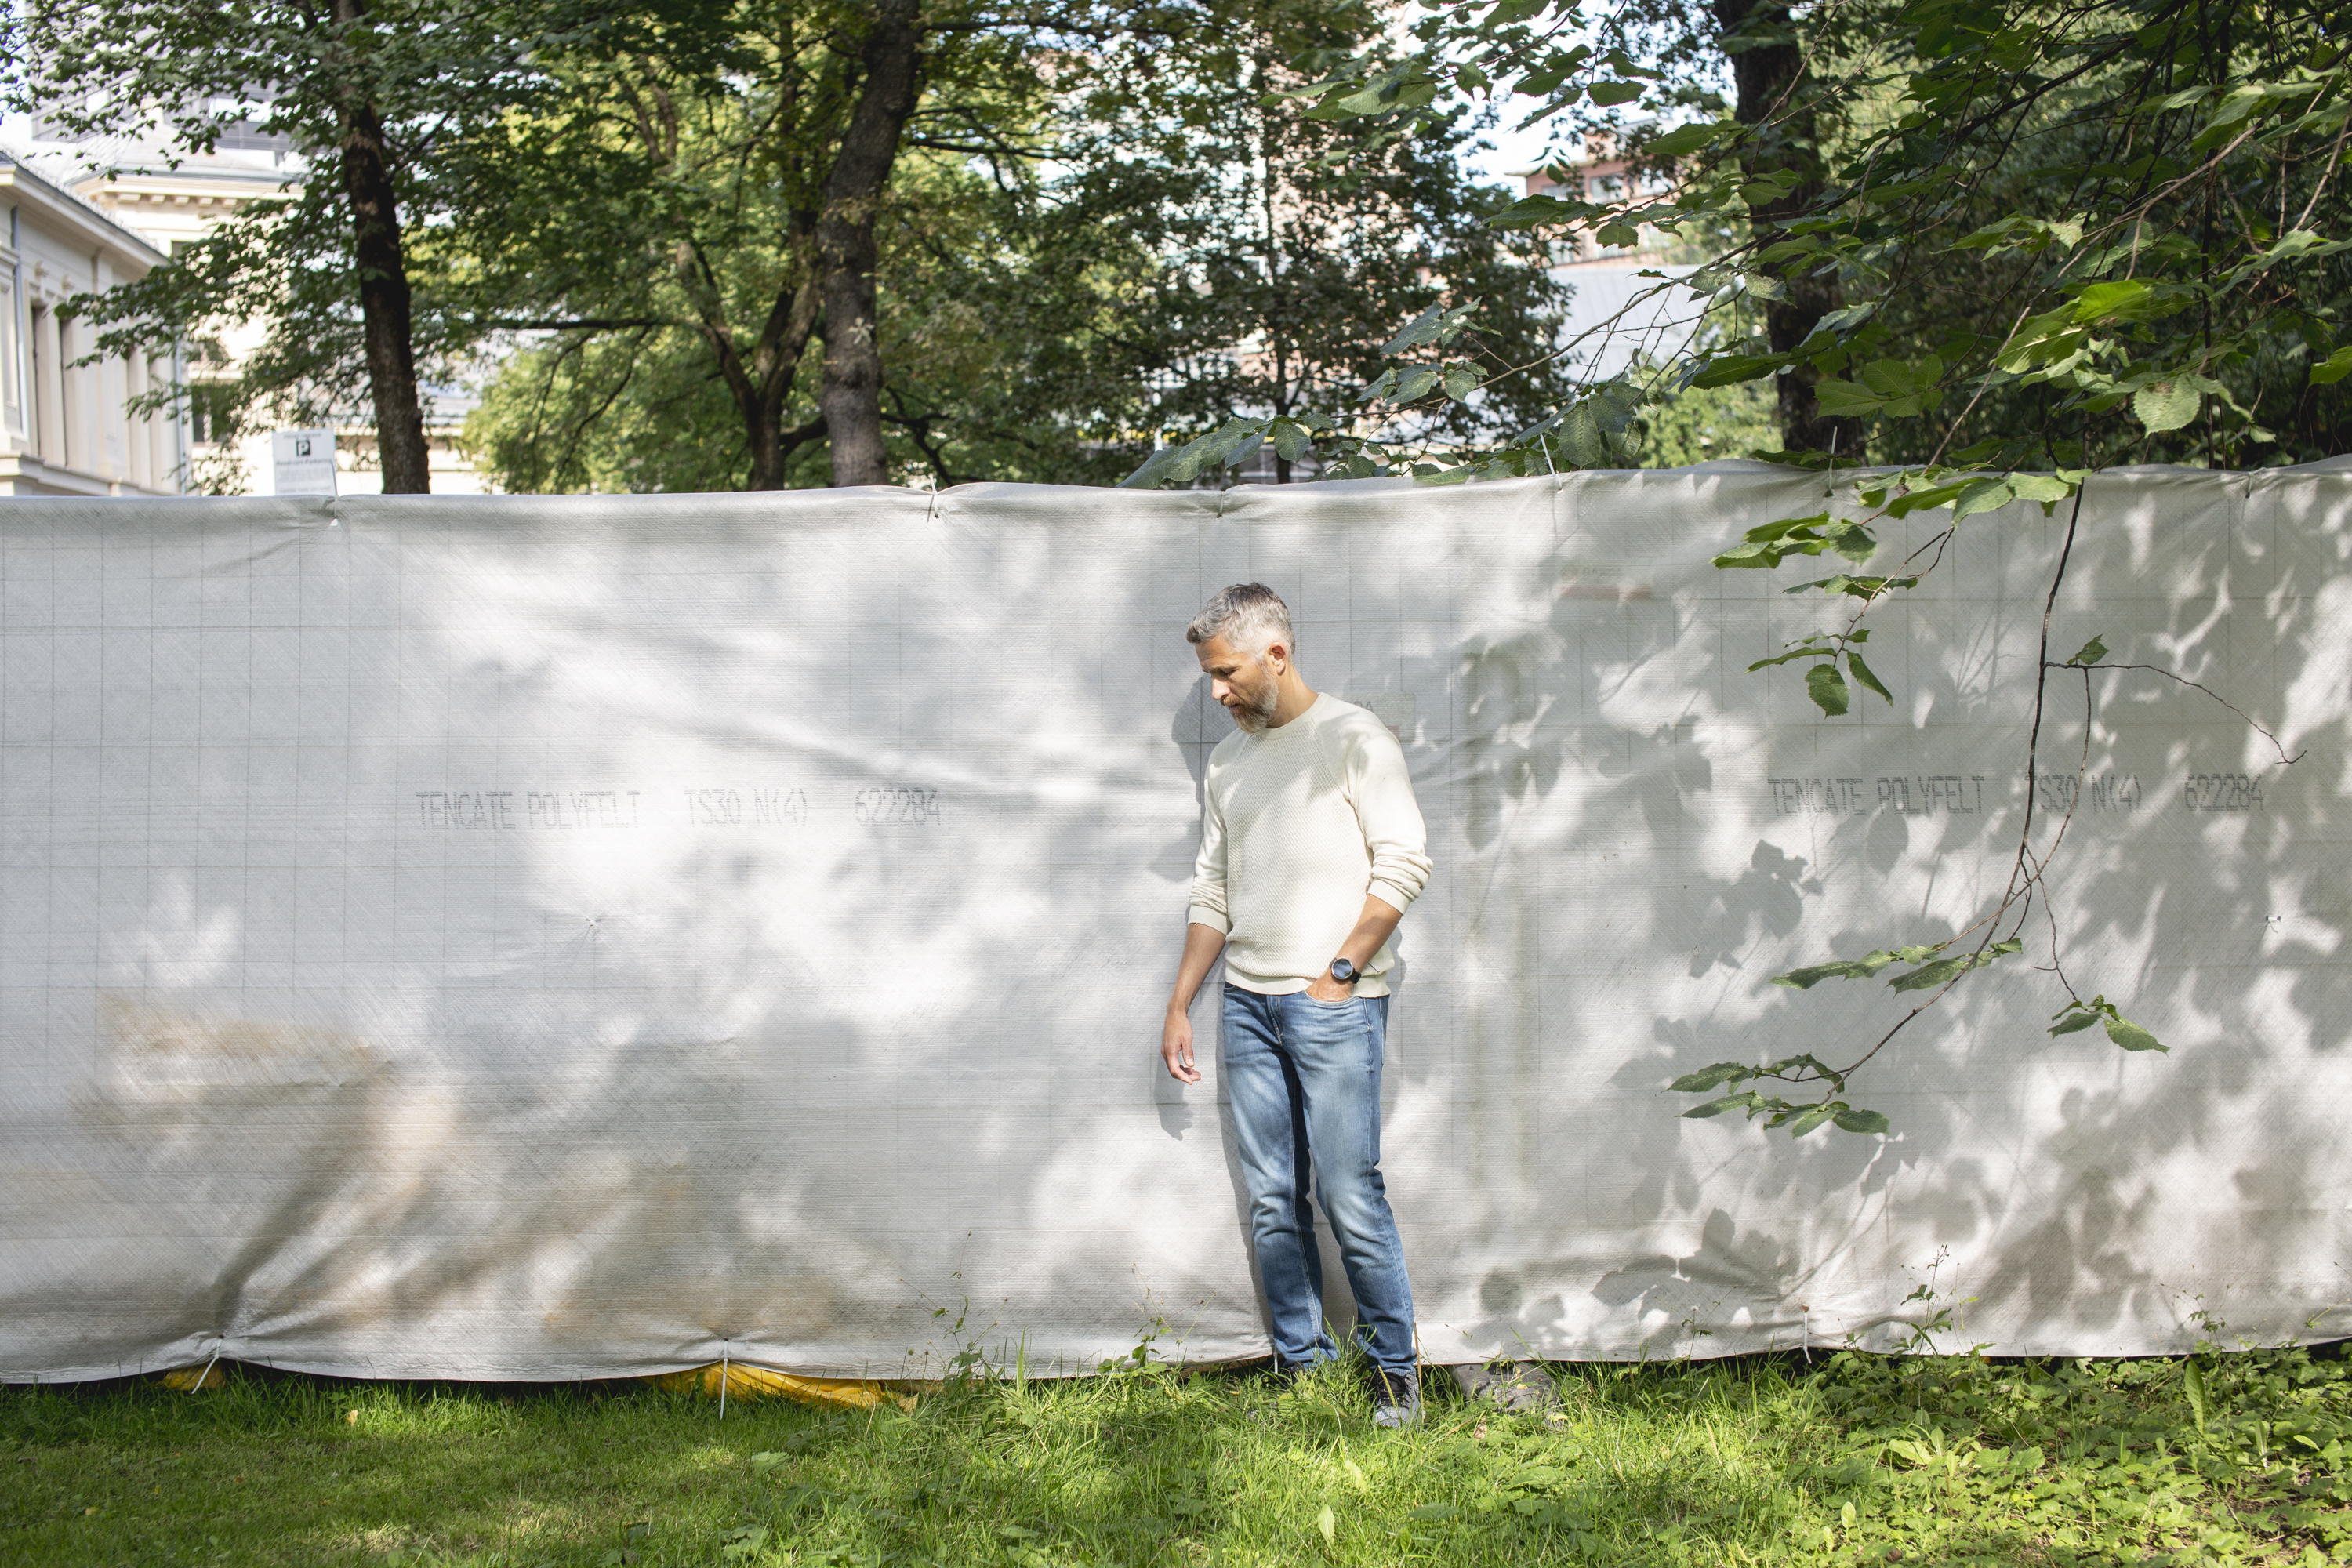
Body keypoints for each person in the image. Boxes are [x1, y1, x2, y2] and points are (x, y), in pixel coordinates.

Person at [1160, 583, 1434, 1428]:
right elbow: (1213, 889)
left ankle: (1396, 1379)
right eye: (1210, 676)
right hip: (1246, 1003)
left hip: (1334, 1006)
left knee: (1351, 1193)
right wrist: (1180, 1003)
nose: (1218, 691)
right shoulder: (1230, 761)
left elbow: (1404, 862)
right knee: (1275, 1198)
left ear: (1275, 654)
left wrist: (1341, 974)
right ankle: (1302, 1366)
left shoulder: (1354, 738)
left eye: (1227, 672)